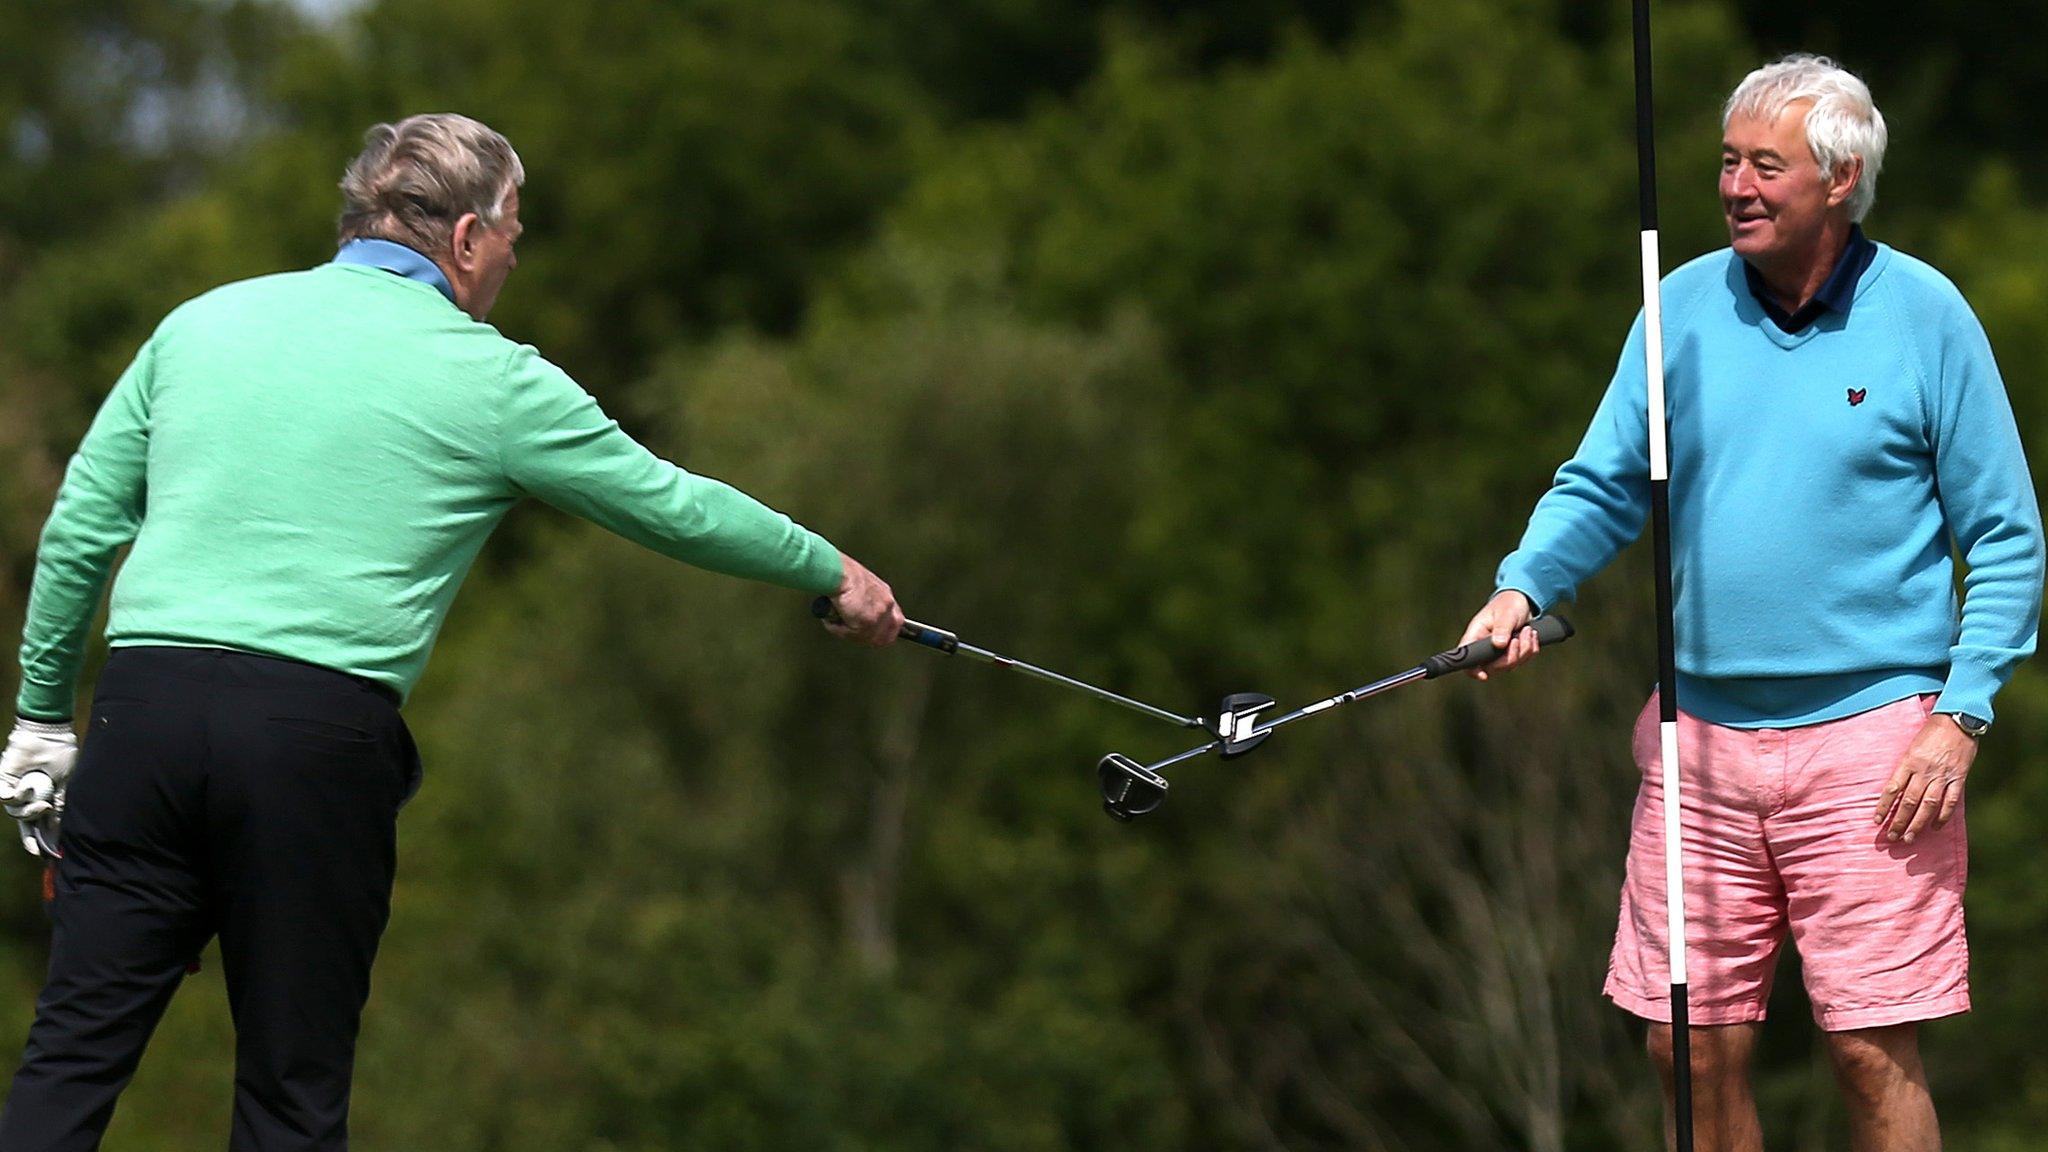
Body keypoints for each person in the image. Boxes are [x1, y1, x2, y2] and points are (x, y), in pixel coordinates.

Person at [0, 112, 905, 1151]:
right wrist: (829, 569)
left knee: (69, 1061)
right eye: (514, 231)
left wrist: (40, 721)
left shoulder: (198, 325)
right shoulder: (493, 380)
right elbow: (671, 504)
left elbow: (79, 529)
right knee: (290, 1093)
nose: (515, 256)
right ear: (468, 238)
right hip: (312, 739)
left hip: (142, 717)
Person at [1457, 55, 2043, 1152]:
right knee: (1686, 1047)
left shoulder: (1923, 314)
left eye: (1764, 166)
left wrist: (1959, 717)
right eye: (1726, 161)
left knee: (1869, 1048)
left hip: (1875, 742)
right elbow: (1599, 484)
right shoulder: (1675, 306)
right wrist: (1523, 585)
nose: (1735, 186)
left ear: (1840, 177)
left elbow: (2004, 534)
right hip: (1696, 741)